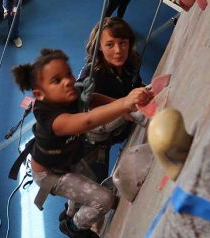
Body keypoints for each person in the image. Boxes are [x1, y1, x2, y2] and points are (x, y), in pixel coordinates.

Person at [11, 48, 151, 238]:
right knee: (105, 200)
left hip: (67, 158)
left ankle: (69, 211)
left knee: (83, 184)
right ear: (40, 94)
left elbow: (93, 98)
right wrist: (124, 103)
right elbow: (88, 121)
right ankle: (74, 226)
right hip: (50, 174)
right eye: (57, 81)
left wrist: (123, 107)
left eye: (68, 74)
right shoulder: (54, 121)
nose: (68, 81)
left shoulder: (69, 92)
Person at [77, 17, 143, 184]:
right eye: (110, 44)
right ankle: (69, 211)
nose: (118, 50)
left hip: (124, 125)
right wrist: (122, 105)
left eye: (123, 42)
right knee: (93, 186)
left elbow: (135, 84)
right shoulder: (92, 74)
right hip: (95, 140)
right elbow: (80, 97)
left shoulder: (131, 62)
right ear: (99, 46)